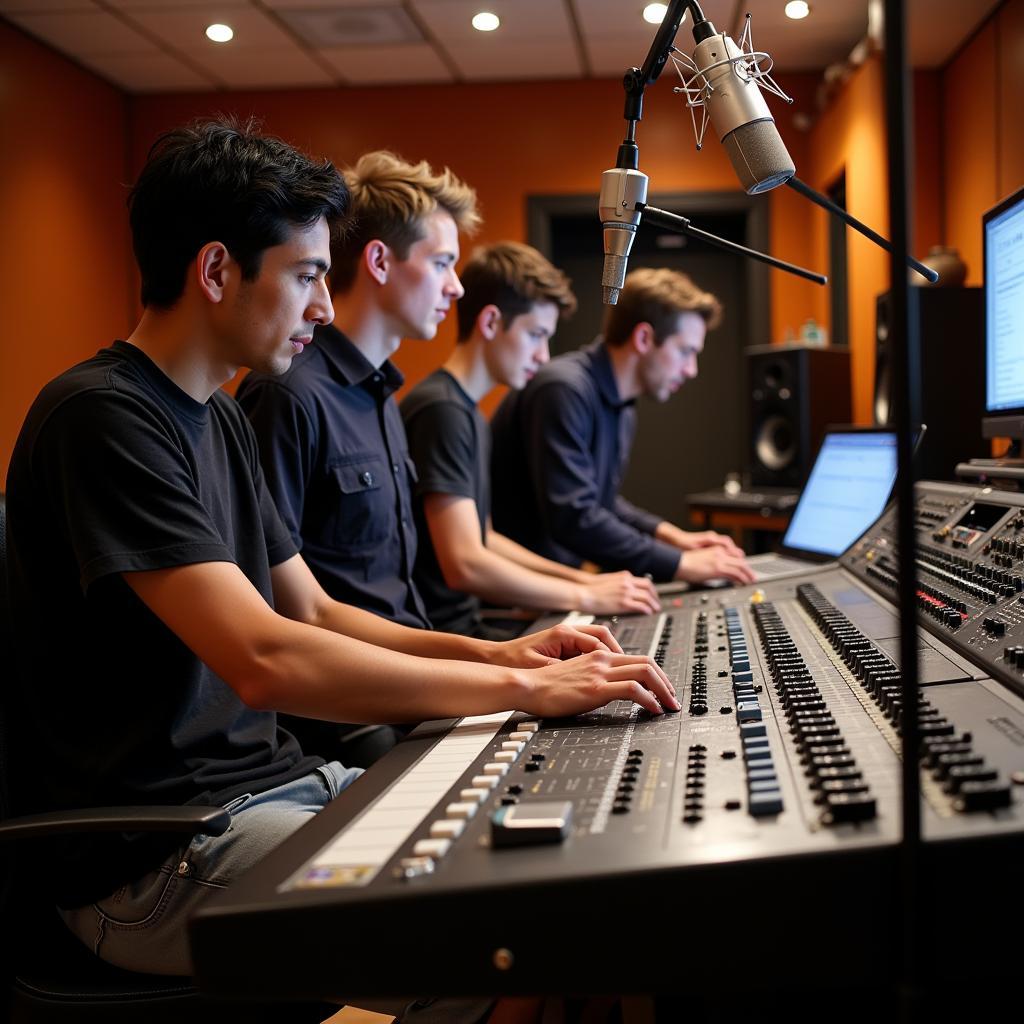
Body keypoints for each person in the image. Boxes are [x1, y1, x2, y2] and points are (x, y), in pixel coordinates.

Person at [3, 118, 679, 996]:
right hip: (157, 858)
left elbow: (315, 611)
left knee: (545, 846)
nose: (324, 307)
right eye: (307, 276)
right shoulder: (102, 418)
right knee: (487, 927)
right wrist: (522, 687)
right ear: (215, 271)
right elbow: (265, 657)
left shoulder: (220, 417)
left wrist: (501, 654)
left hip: (273, 793)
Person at [236, 150, 479, 630]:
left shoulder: (381, 392)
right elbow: (281, 606)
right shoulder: (288, 393)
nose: (457, 288)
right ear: (380, 262)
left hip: (411, 675)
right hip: (350, 698)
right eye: (442, 263)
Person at [400, 241, 661, 638]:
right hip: (446, 635)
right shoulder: (443, 411)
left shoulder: (467, 411)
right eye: (536, 335)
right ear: (490, 323)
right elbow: (466, 564)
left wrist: (586, 584)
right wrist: (585, 596)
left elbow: (484, 538)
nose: (543, 356)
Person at [489, 267, 756, 587]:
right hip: (517, 602)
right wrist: (679, 563)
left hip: (551, 591)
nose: (691, 370)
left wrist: (672, 537)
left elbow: (600, 501)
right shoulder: (563, 389)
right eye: (685, 352)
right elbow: (574, 517)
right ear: (644, 338)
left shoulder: (621, 405)